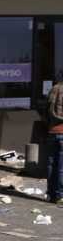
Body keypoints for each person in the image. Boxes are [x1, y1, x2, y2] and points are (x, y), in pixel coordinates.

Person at [46, 76, 63, 205]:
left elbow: (45, 110)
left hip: (52, 131)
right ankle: (60, 195)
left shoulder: (54, 89)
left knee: (51, 164)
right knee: (61, 166)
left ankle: (51, 194)